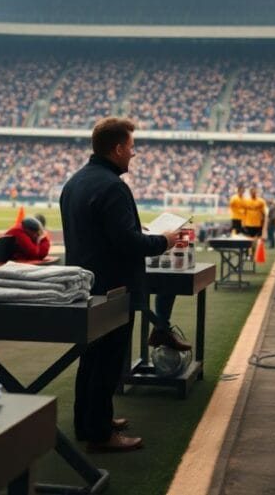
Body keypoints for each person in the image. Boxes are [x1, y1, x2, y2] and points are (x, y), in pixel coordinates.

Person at [60, 117, 177, 453]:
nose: (133, 153)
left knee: (91, 360)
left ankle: (88, 422)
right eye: (130, 146)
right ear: (117, 149)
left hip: (85, 285)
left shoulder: (74, 182)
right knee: (108, 362)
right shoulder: (113, 187)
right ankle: (99, 435)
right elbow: (128, 242)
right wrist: (164, 241)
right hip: (113, 288)